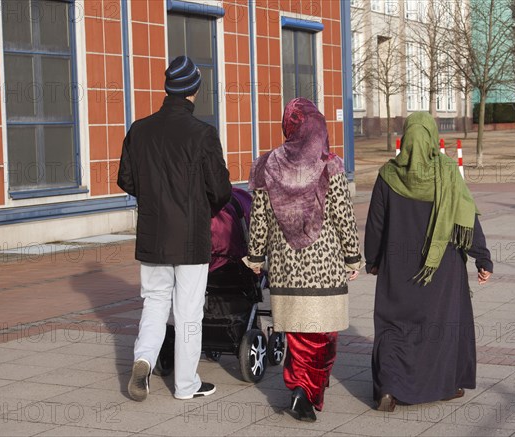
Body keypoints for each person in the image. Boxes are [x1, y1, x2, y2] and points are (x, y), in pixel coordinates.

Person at [117, 55, 231, 402]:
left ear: (168, 89)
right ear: (194, 89)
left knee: (154, 302)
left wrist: (154, 199)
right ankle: (186, 385)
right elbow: (221, 190)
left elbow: (126, 179)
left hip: (153, 234)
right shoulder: (203, 133)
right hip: (192, 236)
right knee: (188, 311)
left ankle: (143, 359)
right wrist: (202, 207)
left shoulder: (140, 129)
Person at [244, 97, 363, 422]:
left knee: (297, 333)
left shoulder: (266, 164)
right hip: (323, 265)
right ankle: (307, 393)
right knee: (323, 335)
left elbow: (259, 218)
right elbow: (342, 215)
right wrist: (353, 257)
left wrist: (255, 256)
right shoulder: (330, 164)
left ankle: (298, 388)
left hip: (284, 265)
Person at [364, 112, 493, 412]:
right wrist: (482, 258)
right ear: (434, 138)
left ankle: (389, 389)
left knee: (393, 327)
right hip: (441, 271)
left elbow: (375, 225)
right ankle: (444, 385)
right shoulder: (448, 172)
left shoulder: (387, 175)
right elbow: (466, 217)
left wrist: (373, 260)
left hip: (397, 268)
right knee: (441, 327)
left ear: (406, 138)